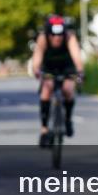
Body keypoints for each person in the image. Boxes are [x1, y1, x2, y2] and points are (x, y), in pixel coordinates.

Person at [31, 15, 84, 147]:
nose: (57, 38)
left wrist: (80, 72)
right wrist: (36, 70)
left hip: (67, 67)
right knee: (46, 90)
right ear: (48, 33)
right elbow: (37, 56)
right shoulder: (42, 38)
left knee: (68, 89)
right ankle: (44, 129)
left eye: (60, 34)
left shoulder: (70, 37)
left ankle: (67, 120)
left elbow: (77, 56)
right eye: (53, 35)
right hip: (48, 67)